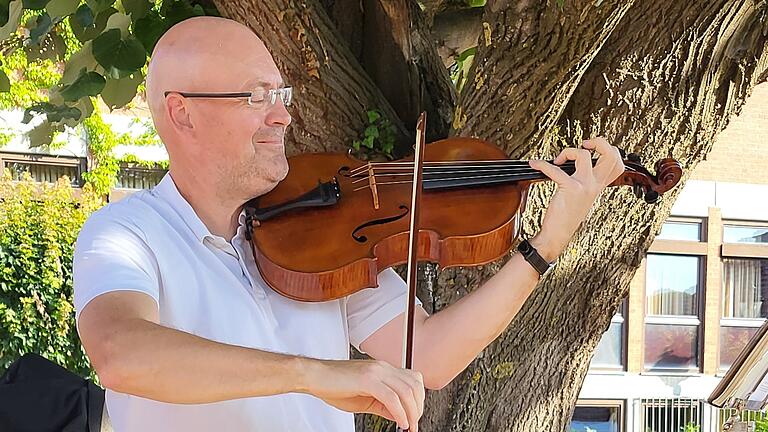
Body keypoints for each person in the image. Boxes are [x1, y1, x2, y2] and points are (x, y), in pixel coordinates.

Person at [73, 16, 625, 432]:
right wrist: (311, 372)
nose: (282, 115)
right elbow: (121, 353)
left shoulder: (322, 232)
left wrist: (545, 245)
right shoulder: (127, 234)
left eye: (280, 94)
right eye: (256, 97)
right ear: (182, 112)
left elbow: (429, 356)